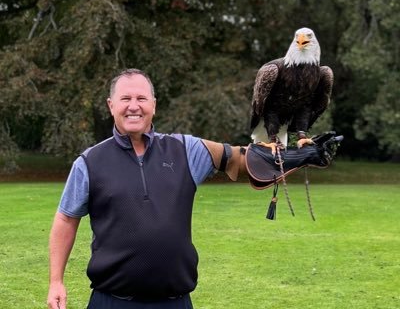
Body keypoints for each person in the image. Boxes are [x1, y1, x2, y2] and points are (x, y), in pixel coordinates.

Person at [47, 68, 340, 309]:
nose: (133, 105)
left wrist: (300, 156)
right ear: (111, 106)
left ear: (153, 105)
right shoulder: (90, 162)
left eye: (141, 98)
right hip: (111, 301)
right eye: (125, 98)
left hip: (175, 302)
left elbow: (241, 160)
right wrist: (56, 281)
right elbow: (65, 219)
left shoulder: (185, 149)